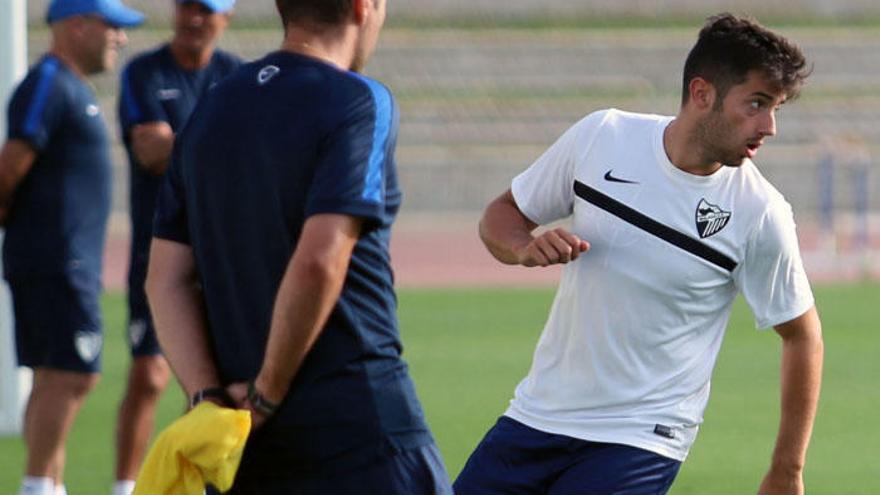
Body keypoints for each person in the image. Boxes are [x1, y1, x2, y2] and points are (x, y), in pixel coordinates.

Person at [455, 13, 823, 495]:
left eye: (774, 108)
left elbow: (802, 336)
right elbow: (501, 215)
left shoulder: (759, 212)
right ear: (702, 93)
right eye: (756, 104)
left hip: (641, 438)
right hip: (536, 415)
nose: (769, 126)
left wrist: (787, 470)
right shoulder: (602, 137)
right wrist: (524, 248)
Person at [145, 0, 453, 493]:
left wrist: (210, 398)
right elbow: (319, 259)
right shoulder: (359, 100)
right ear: (363, 7)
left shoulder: (211, 106)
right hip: (357, 425)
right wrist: (268, 393)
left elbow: (165, 278)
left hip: (243, 441)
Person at [0, 1, 144, 495]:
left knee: (56, 375)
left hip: (63, 259)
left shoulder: (68, 87)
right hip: (57, 260)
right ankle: (38, 486)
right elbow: (11, 163)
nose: (120, 39)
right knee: (71, 374)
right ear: (78, 25)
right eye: (113, 28)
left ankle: (48, 483)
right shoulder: (48, 83)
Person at [114, 2, 241, 494]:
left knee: (215, 380)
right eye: (188, 6)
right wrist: (220, 145)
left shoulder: (235, 75)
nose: (195, 19)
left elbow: (175, 147)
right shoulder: (144, 72)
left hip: (221, 252)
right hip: (161, 248)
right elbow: (149, 151)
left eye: (207, 11)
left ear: (225, 18)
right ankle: (125, 486)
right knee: (148, 374)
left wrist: (184, 142)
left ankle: (213, 483)